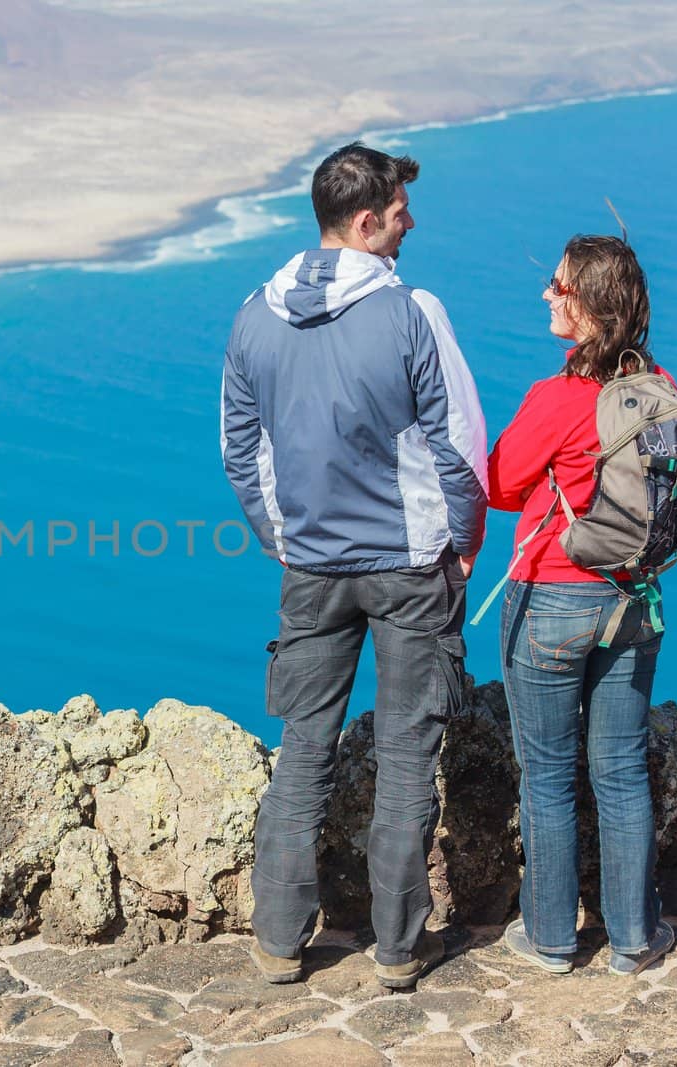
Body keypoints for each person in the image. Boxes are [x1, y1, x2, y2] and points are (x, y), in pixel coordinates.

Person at [221, 141, 488, 987]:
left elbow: (241, 447)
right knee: (408, 749)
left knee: (304, 742)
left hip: (312, 567)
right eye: (402, 212)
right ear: (368, 222)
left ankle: (277, 937)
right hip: (410, 567)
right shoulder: (415, 312)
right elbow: (462, 449)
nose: (413, 223)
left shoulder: (253, 316)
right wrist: (465, 541)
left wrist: (284, 537)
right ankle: (400, 946)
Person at [487, 234, 676, 976]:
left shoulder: (558, 397)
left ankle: (551, 938)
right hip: (634, 602)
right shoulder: (658, 384)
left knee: (547, 774)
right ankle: (635, 938)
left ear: (591, 309)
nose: (546, 295)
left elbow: (501, 485)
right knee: (623, 771)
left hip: (553, 598)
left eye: (559, 286)